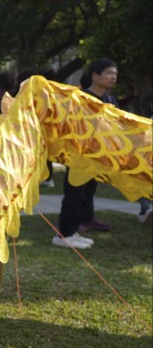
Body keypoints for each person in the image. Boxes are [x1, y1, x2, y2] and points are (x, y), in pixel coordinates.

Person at [53, 58, 119, 249]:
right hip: (79, 155)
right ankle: (63, 235)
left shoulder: (109, 98)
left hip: (96, 155)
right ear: (95, 75)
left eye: (115, 74)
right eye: (109, 73)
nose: (113, 77)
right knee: (73, 194)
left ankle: (72, 231)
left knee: (85, 194)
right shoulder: (82, 97)